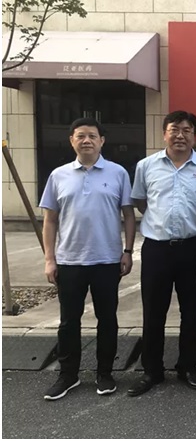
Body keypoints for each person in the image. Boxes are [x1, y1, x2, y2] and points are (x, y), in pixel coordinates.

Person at [39, 117, 135, 400]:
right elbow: (50, 220)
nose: (86, 141)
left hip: (107, 260)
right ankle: (68, 375)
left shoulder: (118, 173)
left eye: (92, 136)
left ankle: (105, 373)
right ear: (72, 140)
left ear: (102, 141)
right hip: (70, 261)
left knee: (107, 320)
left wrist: (128, 251)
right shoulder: (58, 175)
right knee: (69, 322)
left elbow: (128, 215)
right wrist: (49, 259)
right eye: (80, 135)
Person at [127, 111, 196, 397]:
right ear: (164, 133)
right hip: (156, 249)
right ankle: (152, 370)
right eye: (174, 129)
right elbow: (141, 202)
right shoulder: (146, 166)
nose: (180, 135)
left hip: (193, 248)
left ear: (194, 135)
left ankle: (188, 367)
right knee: (153, 312)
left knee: (191, 312)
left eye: (187, 130)